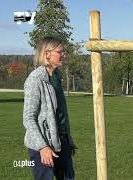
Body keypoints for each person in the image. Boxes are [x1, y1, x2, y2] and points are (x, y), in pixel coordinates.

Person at [23, 36, 76, 180]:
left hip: (61, 142)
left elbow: (60, 113)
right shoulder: (35, 80)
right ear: (47, 54)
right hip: (43, 146)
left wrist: (67, 137)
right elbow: (28, 118)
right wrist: (42, 147)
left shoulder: (57, 77)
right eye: (60, 52)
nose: (64, 55)